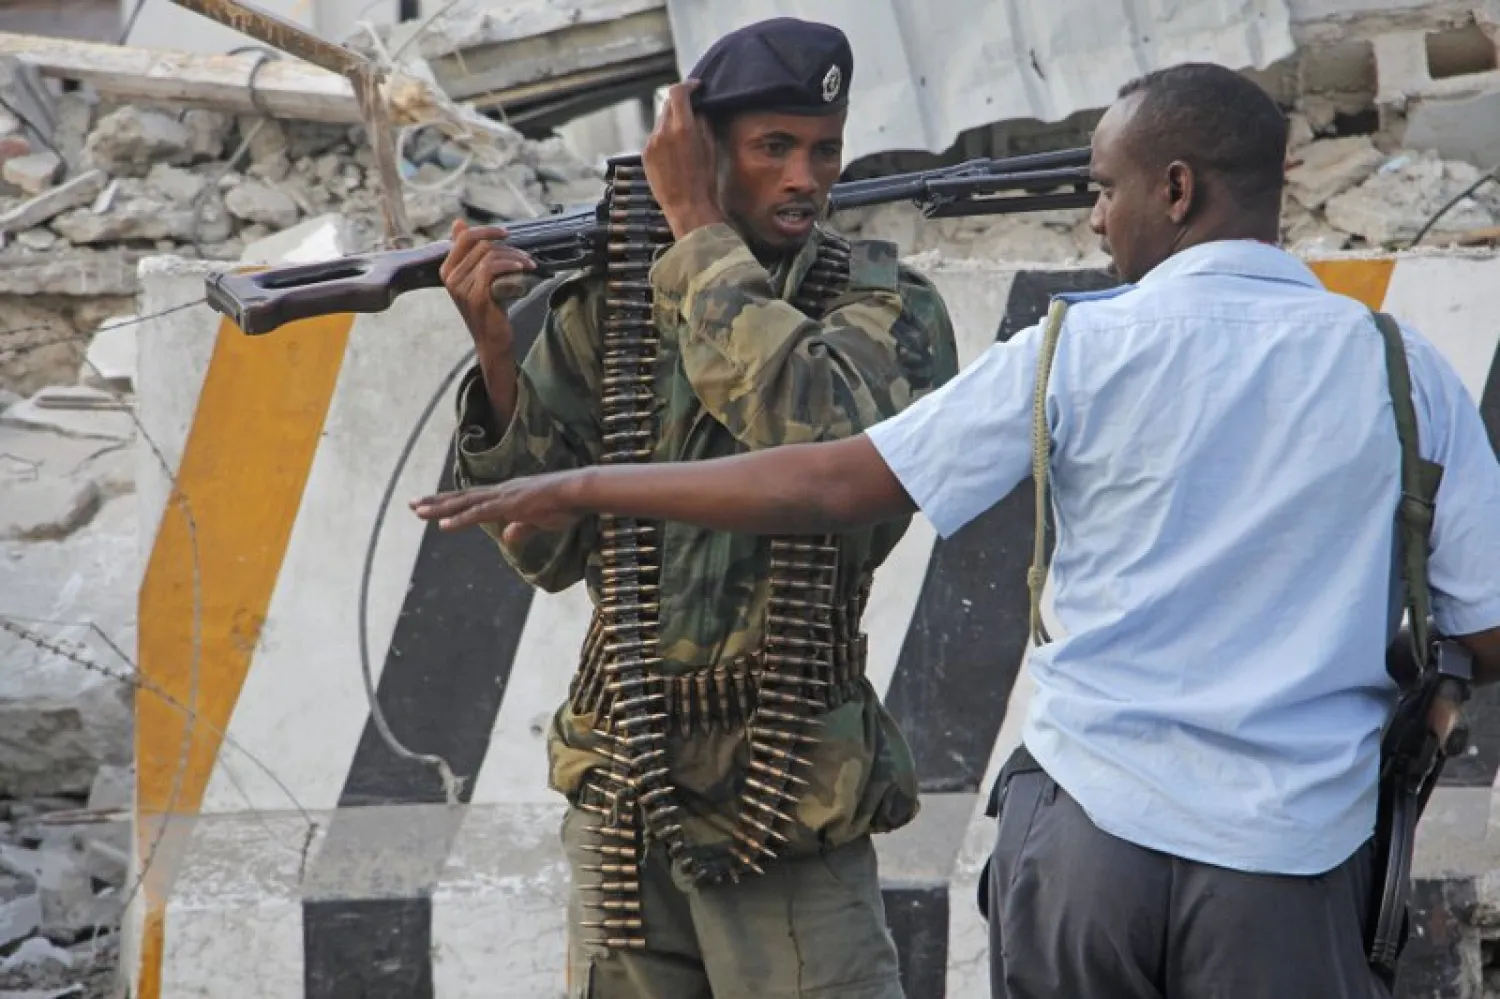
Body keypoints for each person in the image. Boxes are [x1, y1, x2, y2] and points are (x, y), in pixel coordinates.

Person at [416, 61, 1500, 998]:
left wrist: (591, 483)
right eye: (774, 147)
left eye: (1103, 189)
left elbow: (830, 474)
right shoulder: (1406, 372)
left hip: (1083, 839)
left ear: (1175, 190)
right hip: (1293, 853)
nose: (1094, 219)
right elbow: (1486, 626)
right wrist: (1402, 685)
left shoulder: (1072, 347)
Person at [433, 15, 959, 999]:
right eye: (773, 148)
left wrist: (694, 230)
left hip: (791, 793)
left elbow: (814, 434)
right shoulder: (614, 309)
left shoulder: (888, 311)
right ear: (704, 150)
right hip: (625, 779)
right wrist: (498, 354)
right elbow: (543, 554)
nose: (805, 178)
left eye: (824, 151)